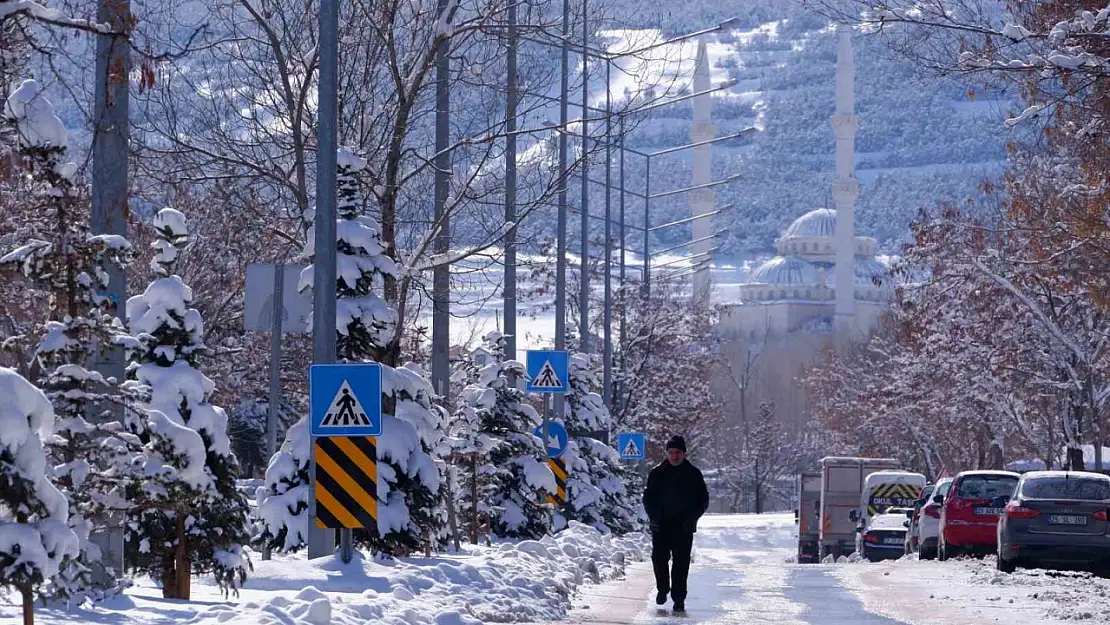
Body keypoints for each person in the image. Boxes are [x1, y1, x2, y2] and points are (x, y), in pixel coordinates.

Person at [642, 434, 709, 613]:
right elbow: (648, 498)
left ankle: (679, 598)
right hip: (661, 526)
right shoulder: (657, 473)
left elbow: (702, 500)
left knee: (681, 564)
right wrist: (654, 518)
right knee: (659, 560)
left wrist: (692, 518)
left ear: (684, 453)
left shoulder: (693, 474)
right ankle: (663, 589)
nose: (674, 456)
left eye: (678, 452)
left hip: (683, 528)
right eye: (671, 452)